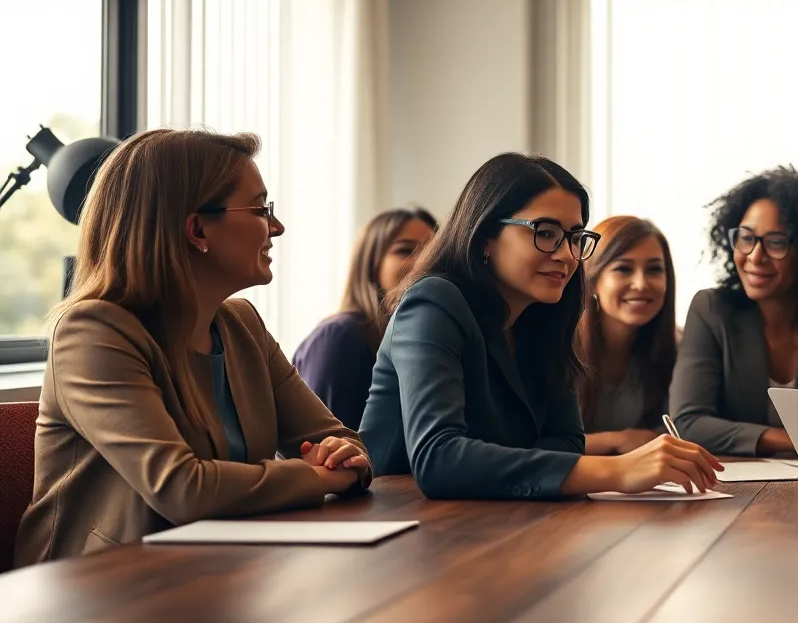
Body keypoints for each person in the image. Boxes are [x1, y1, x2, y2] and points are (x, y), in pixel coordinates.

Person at [15, 129, 370, 567]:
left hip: (220, 574)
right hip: (96, 596)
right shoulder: (91, 333)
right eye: (261, 208)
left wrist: (343, 458)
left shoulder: (242, 325)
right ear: (198, 228)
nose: (277, 227)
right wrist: (317, 475)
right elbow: (182, 490)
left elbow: (341, 441)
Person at [358, 153, 721, 499]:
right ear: (485, 236)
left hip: (494, 516)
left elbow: (566, 440)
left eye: (575, 237)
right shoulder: (434, 301)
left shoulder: (544, 316)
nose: (566, 254)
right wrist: (618, 471)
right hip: (399, 519)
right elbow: (440, 459)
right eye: (545, 232)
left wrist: (492, 462)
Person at [670, 167, 798, 456]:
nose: (755, 257)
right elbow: (688, 423)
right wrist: (796, 440)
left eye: (776, 242)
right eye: (746, 238)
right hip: (734, 491)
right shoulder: (711, 310)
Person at [294, 207, 438, 428]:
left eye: (432, 253)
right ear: (371, 263)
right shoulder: (340, 336)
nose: (421, 263)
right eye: (405, 250)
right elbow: (317, 444)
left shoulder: (422, 342)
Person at [577, 216, 677, 455]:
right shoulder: (558, 347)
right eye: (623, 269)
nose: (641, 284)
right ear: (593, 279)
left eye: (654, 269)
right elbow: (529, 444)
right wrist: (617, 440)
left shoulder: (678, 347)